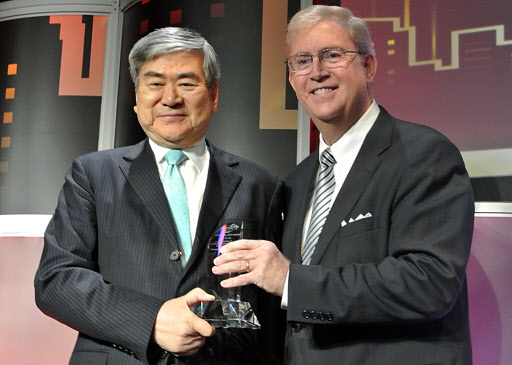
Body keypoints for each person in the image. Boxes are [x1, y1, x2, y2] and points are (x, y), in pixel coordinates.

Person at [213, 5, 474, 364]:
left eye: (332, 55)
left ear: (368, 66)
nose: (317, 72)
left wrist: (290, 280)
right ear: (292, 80)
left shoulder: (424, 154)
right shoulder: (296, 180)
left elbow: (428, 282)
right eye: (302, 61)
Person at [34, 27, 284, 365]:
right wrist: (151, 319)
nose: (170, 98)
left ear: (213, 96)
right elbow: (57, 279)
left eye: (186, 83)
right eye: (154, 83)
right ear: (137, 98)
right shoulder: (93, 174)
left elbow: (268, 305)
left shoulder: (259, 183)